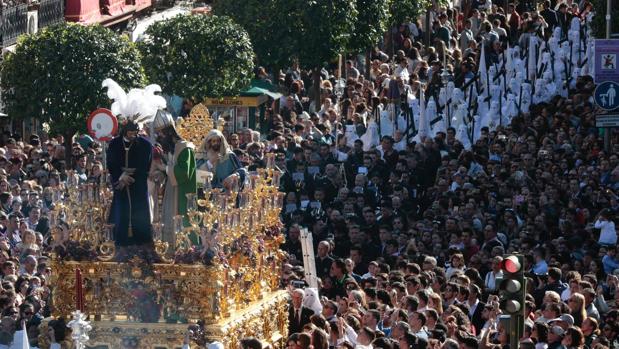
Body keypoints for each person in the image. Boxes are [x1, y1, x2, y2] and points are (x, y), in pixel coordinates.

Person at [103, 79, 166, 253]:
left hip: (137, 188)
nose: (133, 136)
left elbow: (144, 166)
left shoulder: (145, 145)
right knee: (121, 217)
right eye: (130, 133)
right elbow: (112, 164)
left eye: (135, 133)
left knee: (140, 220)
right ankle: (120, 249)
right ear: (124, 131)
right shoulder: (114, 144)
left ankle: (142, 249)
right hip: (121, 188)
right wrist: (119, 177)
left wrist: (130, 177)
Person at [152, 110, 197, 247]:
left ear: (169, 132)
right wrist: (160, 173)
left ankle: (186, 254)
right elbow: (168, 168)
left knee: (182, 224)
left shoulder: (185, 148)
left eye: (161, 133)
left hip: (182, 194)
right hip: (171, 190)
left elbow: (184, 173)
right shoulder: (171, 148)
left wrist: (163, 168)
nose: (159, 136)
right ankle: (169, 251)